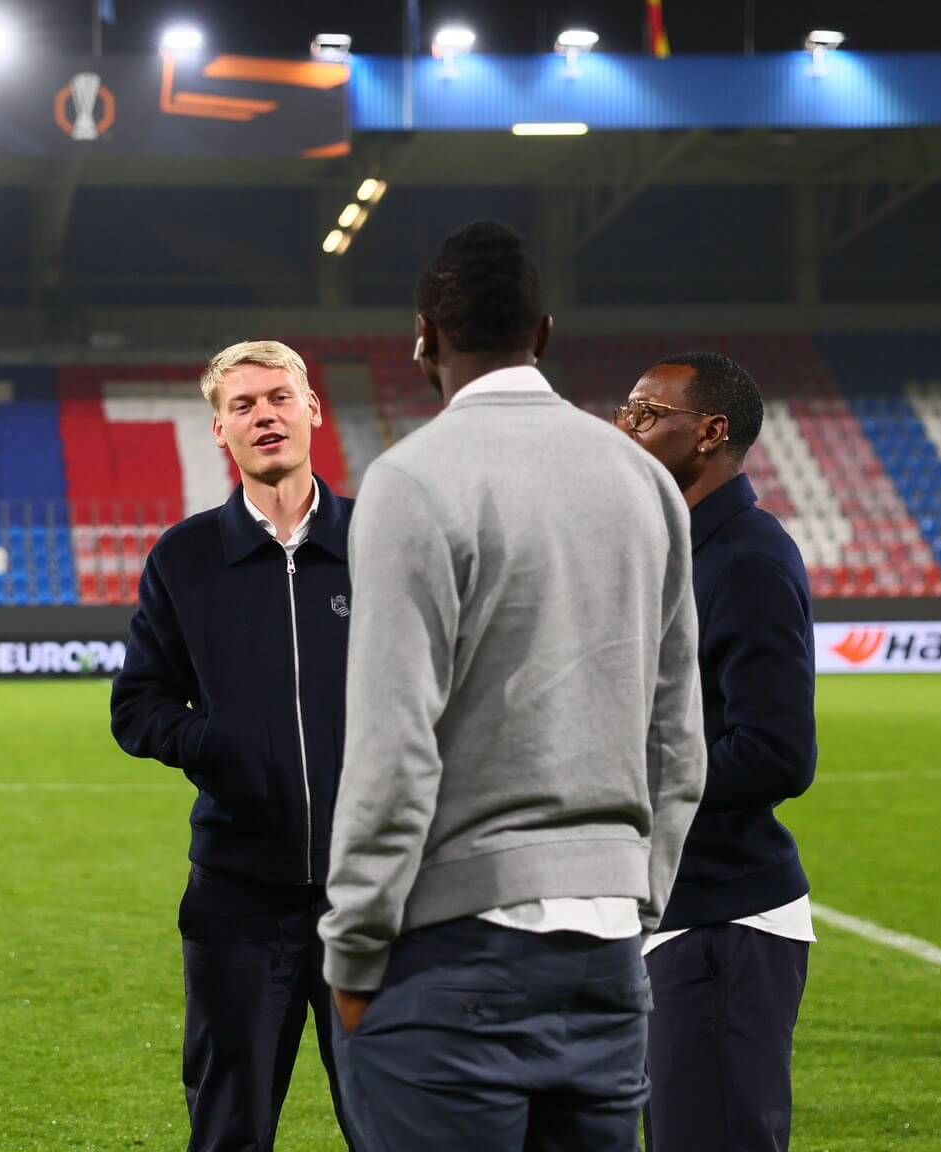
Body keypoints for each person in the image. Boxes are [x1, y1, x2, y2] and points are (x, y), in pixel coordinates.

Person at [320, 221, 706, 1152]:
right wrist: (635, 898)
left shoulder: (412, 480)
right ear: (543, 332)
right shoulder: (643, 480)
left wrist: (355, 948)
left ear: (425, 338)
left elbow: (393, 747)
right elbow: (678, 738)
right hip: (610, 952)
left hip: (454, 953)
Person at [110, 340, 358, 1152]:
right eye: (243, 406)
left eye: (279, 398)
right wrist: (219, 743)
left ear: (313, 409)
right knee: (228, 1131)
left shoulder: (381, 538)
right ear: (220, 432)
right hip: (239, 902)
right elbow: (138, 706)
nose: (265, 416)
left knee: (399, 1126)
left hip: (375, 893)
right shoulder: (185, 558)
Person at [617, 352, 816, 1152]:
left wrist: (624, 779)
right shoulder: (678, 549)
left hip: (724, 921)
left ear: (710, 433)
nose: (623, 427)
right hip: (676, 911)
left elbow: (776, 754)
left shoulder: (749, 559)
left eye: (643, 413)